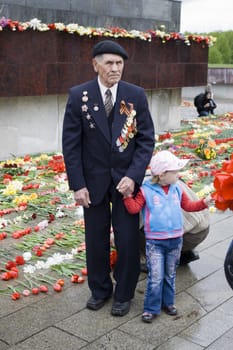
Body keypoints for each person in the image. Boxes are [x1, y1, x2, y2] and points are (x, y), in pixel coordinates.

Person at [62, 39, 155, 317]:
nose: (115, 68)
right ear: (95, 65)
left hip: (126, 184)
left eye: (119, 63)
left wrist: (134, 176)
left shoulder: (135, 95)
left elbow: (146, 139)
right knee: (96, 240)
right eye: (109, 63)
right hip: (93, 184)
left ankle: (123, 294)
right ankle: (100, 290)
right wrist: (77, 184)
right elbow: (71, 144)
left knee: (127, 241)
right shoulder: (79, 96)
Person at [123, 150, 212, 323]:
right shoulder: (146, 190)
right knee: (155, 277)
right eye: (175, 171)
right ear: (162, 174)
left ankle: (168, 302)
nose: (179, 175)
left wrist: (203, 203)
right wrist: (127, 196)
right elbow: (134, 209)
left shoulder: (176, 188)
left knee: (170, 274)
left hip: (175, 241)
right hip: (155, 243)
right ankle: (151, 308)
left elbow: (188, 206)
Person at [139, 178, 210, 269]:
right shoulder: (163, 174)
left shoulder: (140, 188)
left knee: (133, 226)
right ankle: (184, 252)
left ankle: (148, 260)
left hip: (185, 237)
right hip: (203, 228)